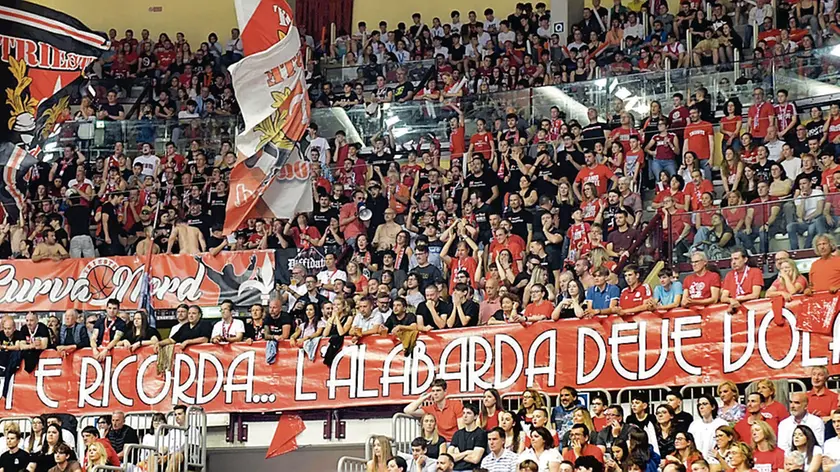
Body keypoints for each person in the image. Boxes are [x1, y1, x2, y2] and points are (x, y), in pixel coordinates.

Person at [688, 394, 728, 463]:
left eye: (705, 404)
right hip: (697, 462)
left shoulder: (722, 423)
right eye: (699, 405)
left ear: (713, 407)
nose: (701, 407)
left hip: (716, 461)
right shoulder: (694, 425)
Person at [448, 404, 488, 471]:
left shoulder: (481, 434)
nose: (465, 416)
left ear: (476, 416)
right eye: (463, 413)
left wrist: (458, 454)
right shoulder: (457, 434)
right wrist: (467, 452)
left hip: (471, 469)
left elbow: (475, 459)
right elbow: (449, 457)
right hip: (455, 469)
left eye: (468, 413)